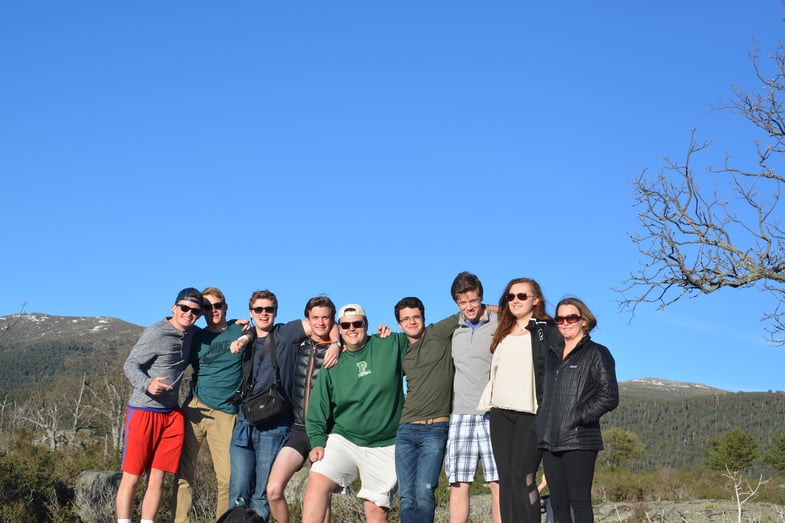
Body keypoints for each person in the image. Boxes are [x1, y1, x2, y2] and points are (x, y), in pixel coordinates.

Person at [229, 290, 339, 521]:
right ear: (251, 313)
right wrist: (242, 333)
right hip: (245, 421)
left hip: (278, 424)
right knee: (238, 492)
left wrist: (337, 343)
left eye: (269, 309)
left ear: (276, 311)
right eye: (258, 310)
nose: (264, 313)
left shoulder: (286, 334)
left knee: (267, 494)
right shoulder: (243, 335)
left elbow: (325, 324)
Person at [303, 304, 408, 523]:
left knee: (376, 511)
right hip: (346, 438)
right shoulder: (333, 362)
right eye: (346, 325)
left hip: (386, 443)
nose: (352, 329)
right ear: (339, 329)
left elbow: (421, 339)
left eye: (357, 323)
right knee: (316, 483)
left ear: (366, 325)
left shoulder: (390, 344)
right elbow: (317, 407)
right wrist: (317, 441)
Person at [116, 287, 203, 523]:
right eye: (184, 308)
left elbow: (217, 330)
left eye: (195, 311)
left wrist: (240, 325)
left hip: (171, 415)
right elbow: (130, 365)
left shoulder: (193, 333)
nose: (189, 313)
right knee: (132, 477)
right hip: (144, 410)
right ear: (174, 308)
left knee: (158, 479)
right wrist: (147, 384)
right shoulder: (156, 332)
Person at [480, 277, 560, 522]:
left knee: (523, 475)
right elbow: (494, 309)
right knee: (505, 478)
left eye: (522, 296)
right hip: (500, 411)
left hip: (531, 411)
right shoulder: (504, 330)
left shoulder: (544, 329)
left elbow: (561, 361)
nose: (515, 301)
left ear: (536, 300)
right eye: (510, 296)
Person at [170, 287, 253, 522]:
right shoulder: (196, 335)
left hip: (225, 413)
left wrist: (247, 334)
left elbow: (258, 333)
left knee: (226, 478)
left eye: (218, 306)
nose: (213, 310)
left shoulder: (240, 329)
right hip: (195, 408)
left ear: (225, 307)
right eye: (207, 307)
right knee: (183, 473)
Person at [536, 297, 619, 523]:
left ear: (584, 320)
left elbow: (609, 396)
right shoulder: (552, 355)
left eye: (571, 317)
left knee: (579, 501)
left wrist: (576, 417)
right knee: (558, 502)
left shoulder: (597, 353)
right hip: (549, 440)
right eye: (560, 318)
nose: (565, 322)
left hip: (580, 439)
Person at [266, 296, 341, 523]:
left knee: (321, 499)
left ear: (332, 319)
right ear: (307, 319)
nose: (320, 322)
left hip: (328, 432)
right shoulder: (298, 345)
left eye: (326, 317)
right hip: (298, 429)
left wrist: (337, 344)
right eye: (315, 317)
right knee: (273, 490)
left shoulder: (342, 349)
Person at [393, 297, 459, 523]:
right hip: (404, 429)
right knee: (406, 498)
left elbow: (472, 308)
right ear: (399, 325)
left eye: (416, 317)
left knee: (424, 494)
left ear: (423, 317)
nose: (412, 322)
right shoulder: (399, 347)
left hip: (435, 427)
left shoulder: (438, 333)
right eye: (406, 319)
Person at [445, 272, 501, 523]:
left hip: (494, 412)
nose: (468, 307)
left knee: (498, 482)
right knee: (459, 482)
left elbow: (539, 322)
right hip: (461, 414)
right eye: (462, 302)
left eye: (473, 300)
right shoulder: (453, 328)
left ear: (482, 298)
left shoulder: (501, 321)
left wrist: (501, 309)